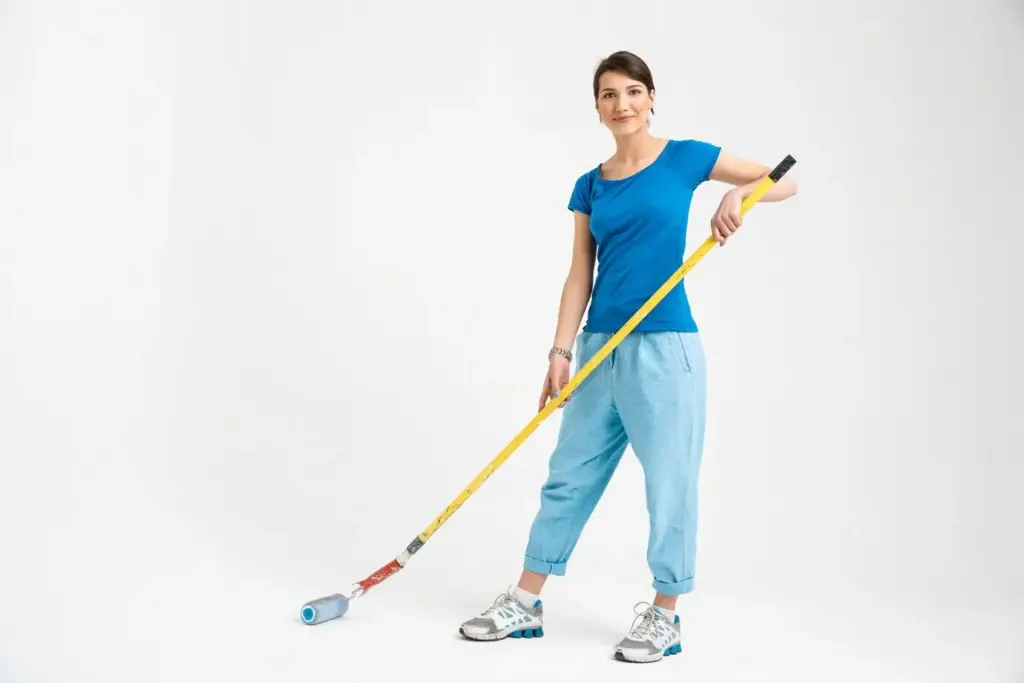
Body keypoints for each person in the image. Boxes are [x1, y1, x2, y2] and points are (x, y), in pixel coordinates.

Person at [457, 50, 798, 663]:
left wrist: (740, 194)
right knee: (568, 477)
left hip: (665, 349)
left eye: (633, 92)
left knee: (669, 484)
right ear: (597, 107)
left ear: (652, 97)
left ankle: (665, 615)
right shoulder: (590, 184)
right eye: (609, 94)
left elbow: (787, 179)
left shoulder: (686, 158)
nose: (623, 104)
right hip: (598, 350)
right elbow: (578, 274)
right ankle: (526, 602)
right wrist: (560, 351)